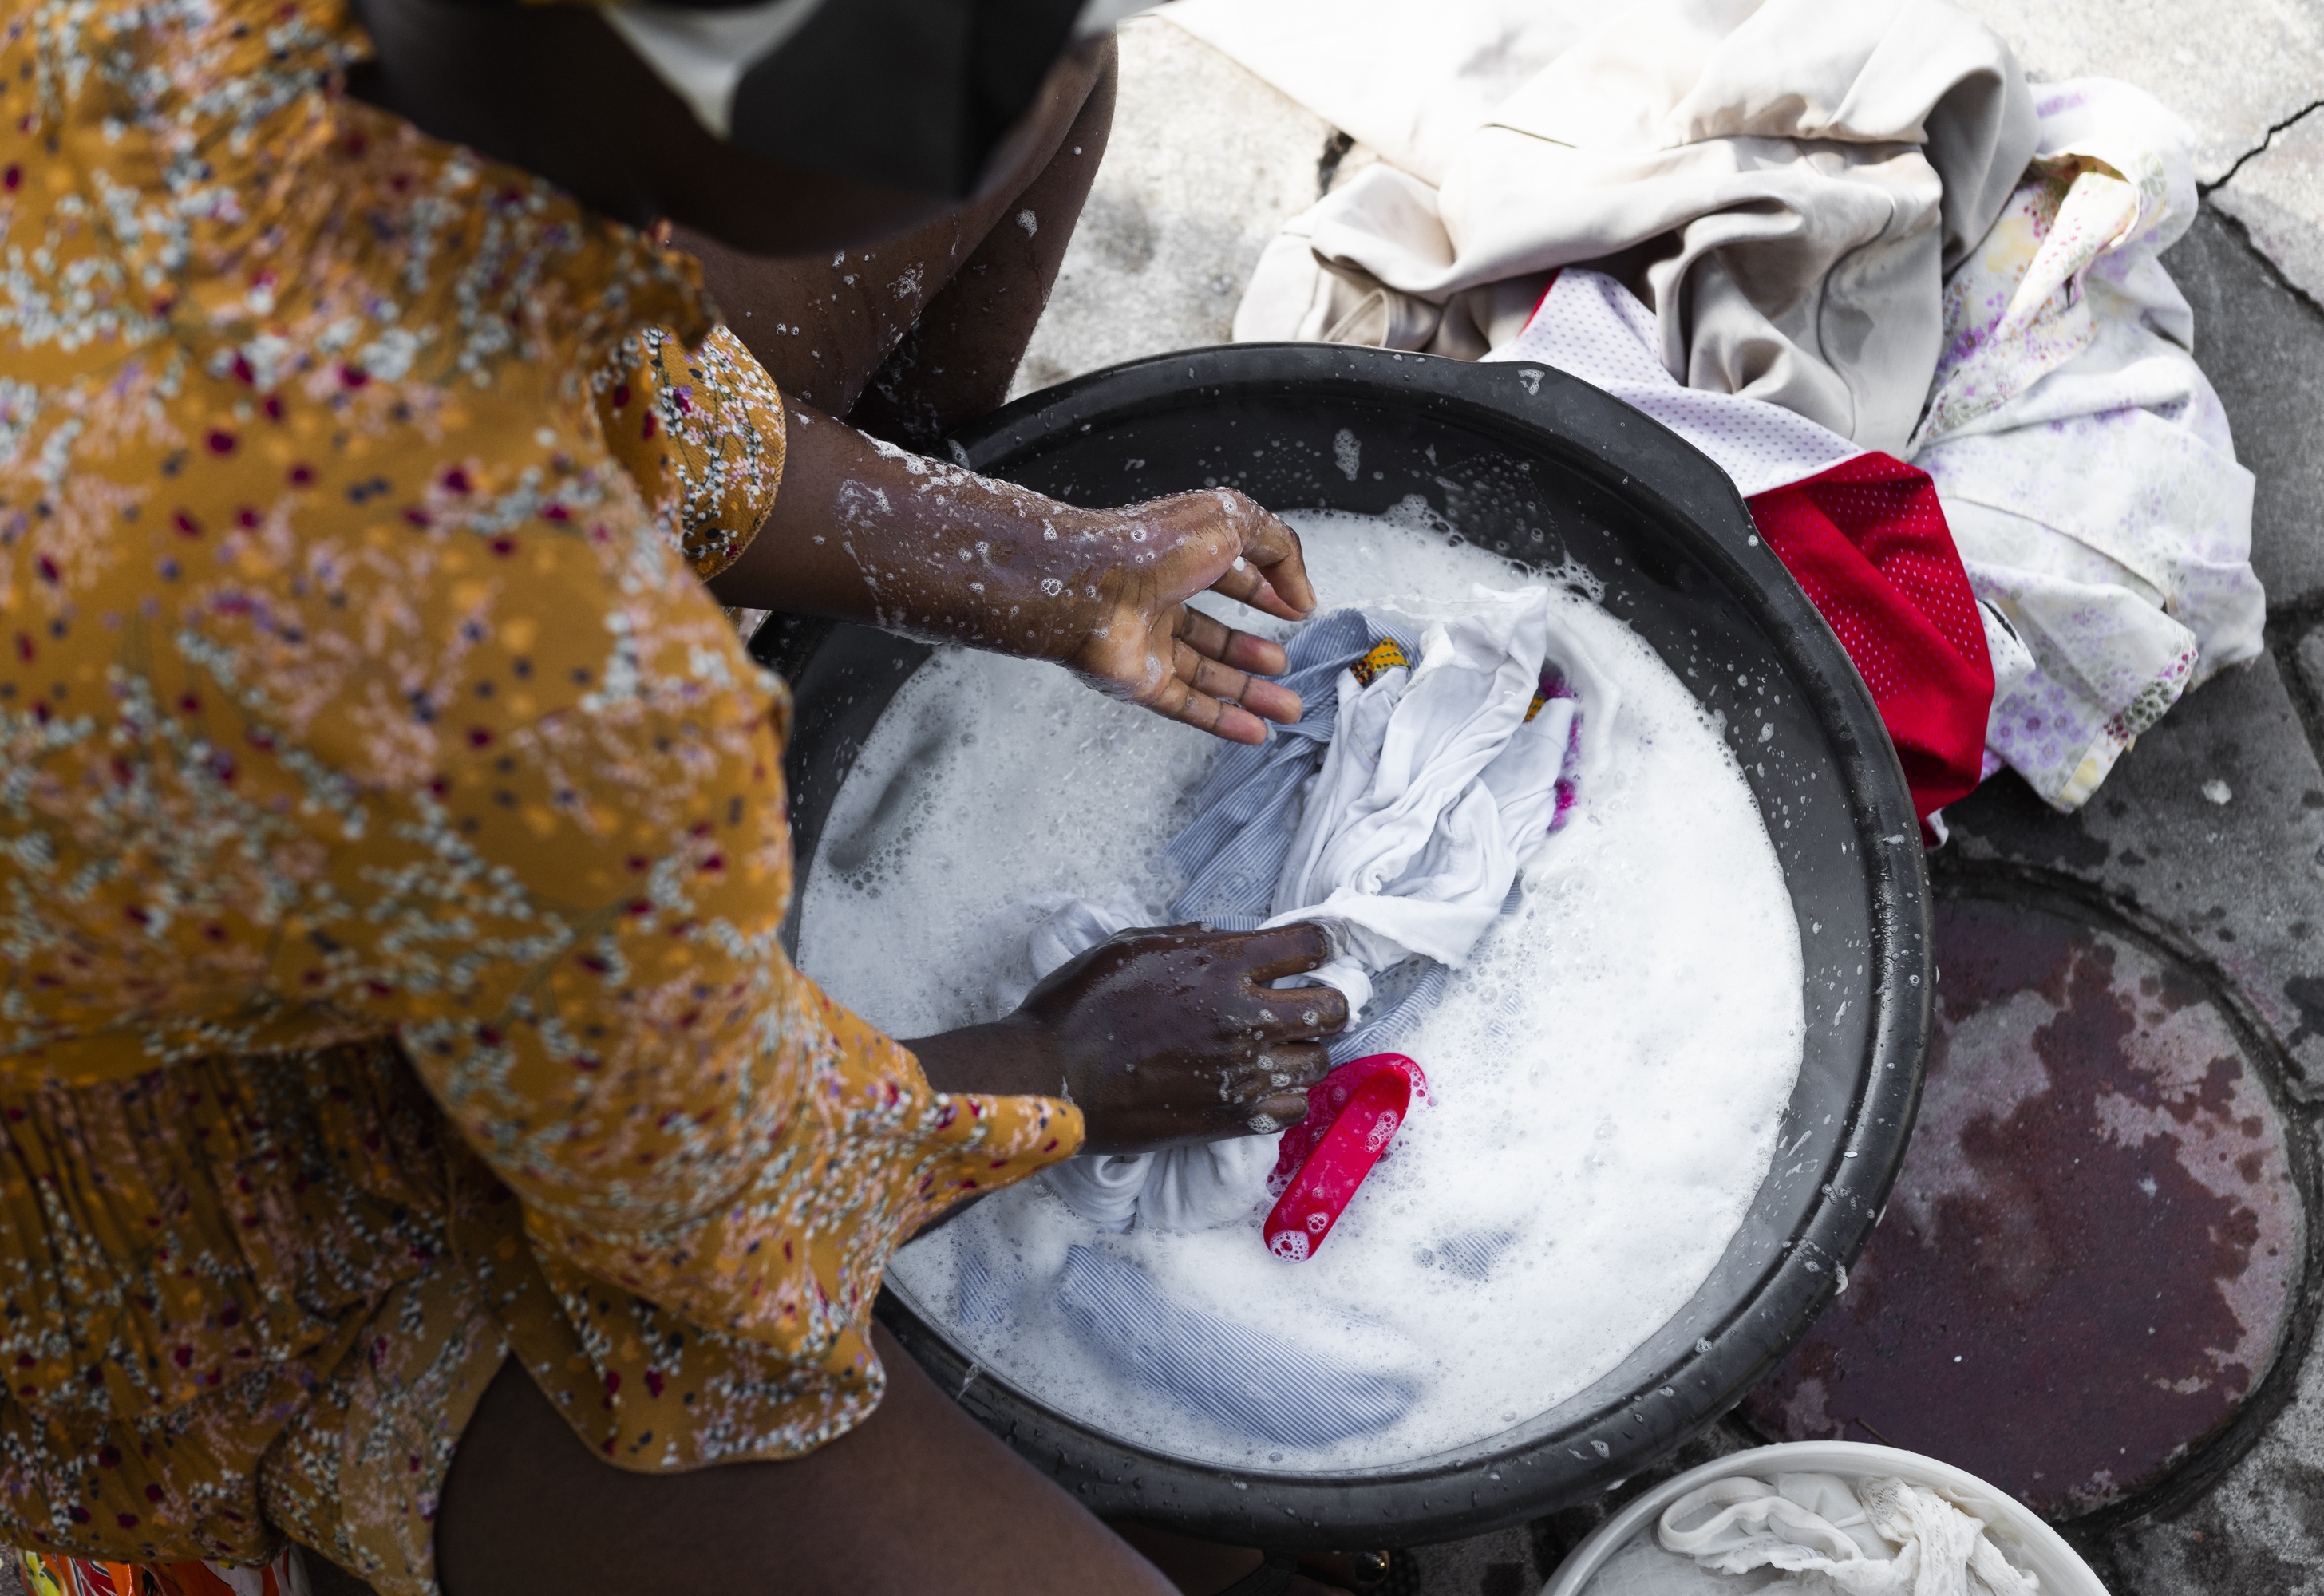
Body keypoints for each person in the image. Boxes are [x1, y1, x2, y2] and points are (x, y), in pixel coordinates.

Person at [0, 0, 1364, 1590]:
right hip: (169, 1233)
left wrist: (1054, 571)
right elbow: (731, 1215)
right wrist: (1069, 1065)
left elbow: (594, 376)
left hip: (237, 789)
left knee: (1052, 107)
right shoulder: (533, 683)